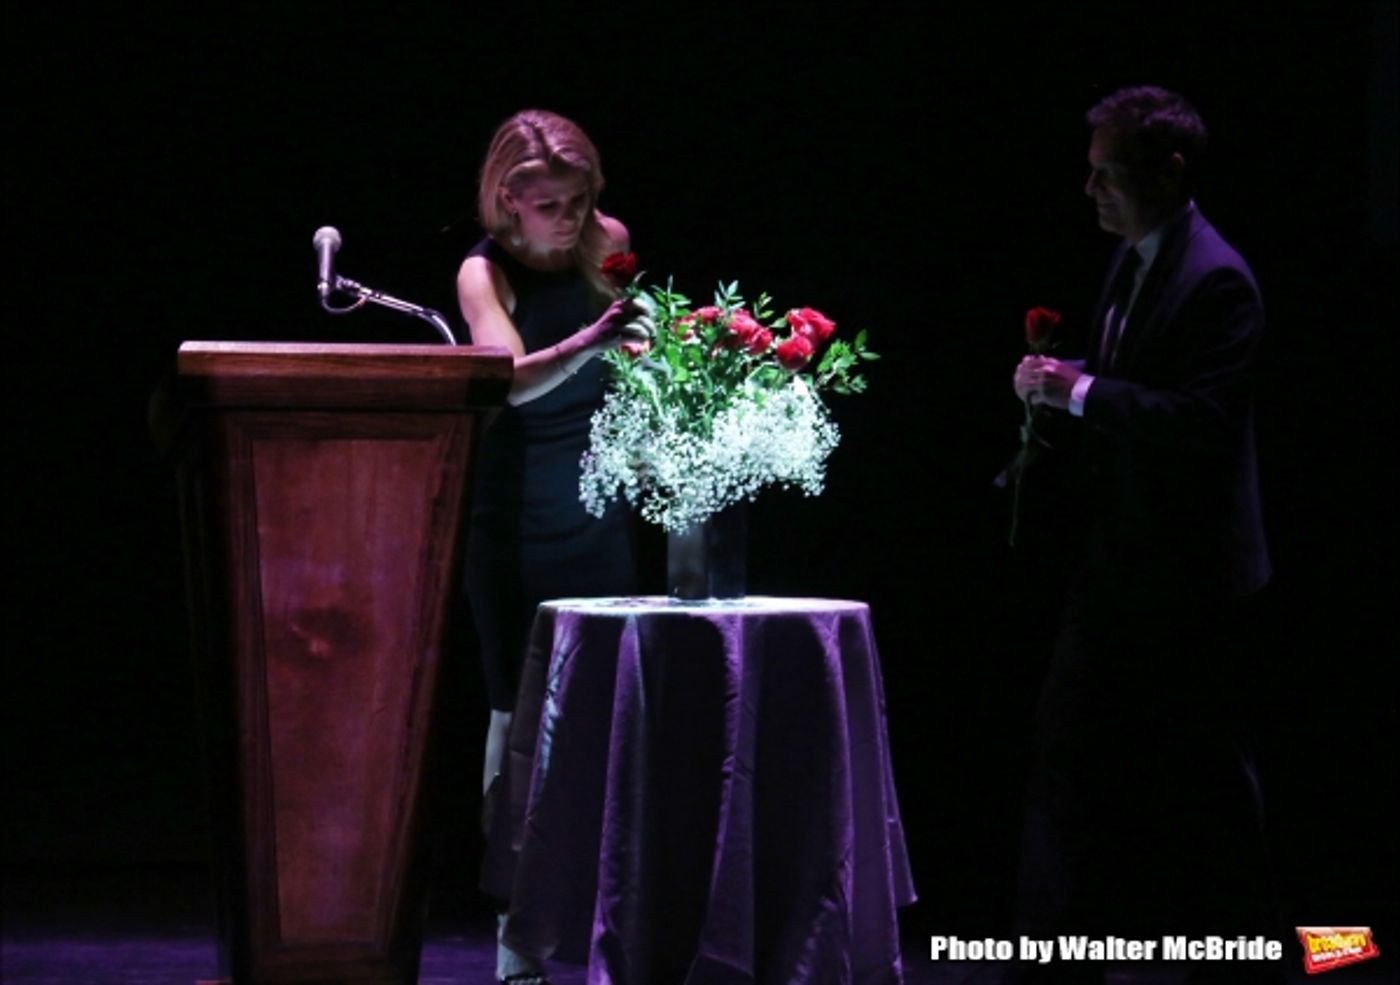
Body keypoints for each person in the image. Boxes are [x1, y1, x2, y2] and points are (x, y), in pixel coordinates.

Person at [1010, 86, 1281, 984]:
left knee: (1206, 783)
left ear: (1168, 172)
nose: (1091, 190)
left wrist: (1081, 392)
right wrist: (1067, 377)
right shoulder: (1133, 257)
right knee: (1071, 761)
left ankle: (1245, 962)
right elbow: (1138, 374)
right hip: (1120, 567)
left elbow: (1201, 420)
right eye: (1090, 172)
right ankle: (1055, 961)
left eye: (1108, 174)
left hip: (1190, 579)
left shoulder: (1216, 277)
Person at [456, 108, 649, 984]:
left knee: (608, 713)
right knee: (519, 721)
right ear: (509, 199)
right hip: (514, 520)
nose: (570, 218)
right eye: (549, 204)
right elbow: (506, 382)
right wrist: (594, 339)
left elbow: (635, 353)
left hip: (595, 507)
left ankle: (612, 922)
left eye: (579, 199)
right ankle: (517, 938)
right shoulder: (483, 271)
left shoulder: (609, 239)